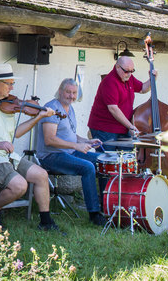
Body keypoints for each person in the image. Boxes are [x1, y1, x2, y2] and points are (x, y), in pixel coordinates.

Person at [0, 63, 59, 231]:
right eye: (9, 83)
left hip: (6, 157)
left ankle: (46, 222)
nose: (12, 87)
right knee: (20, 186)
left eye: (13, 83)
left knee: (41, 175)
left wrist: (39, 117)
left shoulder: (7, 106)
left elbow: (17, 133)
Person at [36, 79, 106, 226]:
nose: (71, 96)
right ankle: (94, 214)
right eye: (68, 92)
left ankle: (106, 206)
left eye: (74, 93)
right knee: (88, 167)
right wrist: (76, 146)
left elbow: (71, 136)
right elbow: (49, 140)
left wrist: (85, 142)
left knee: (103, 160)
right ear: (60, 91)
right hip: (51, 156)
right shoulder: (52, 108)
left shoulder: (70, 108)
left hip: (69, 152)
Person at [87, 56, 156, 145]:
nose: (129, 74)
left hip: (123, 127)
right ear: (117, 67)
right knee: (109, 157)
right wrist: (131, 126)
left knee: (127, 156)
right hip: (105, 129)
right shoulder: (110, 81)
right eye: (126, 71)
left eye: (132, 71)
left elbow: (142, 89)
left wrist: (153, 79)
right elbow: (113, 108)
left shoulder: (128, 77)